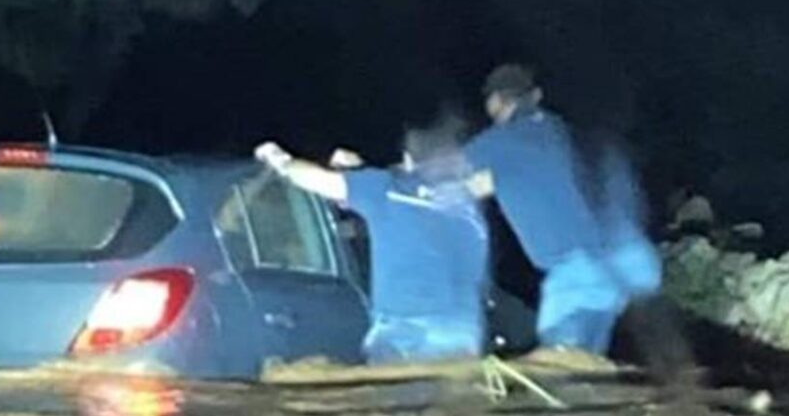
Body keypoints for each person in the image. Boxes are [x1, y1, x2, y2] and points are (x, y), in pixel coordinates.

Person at [464, 63, 662, 354]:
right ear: (536, 96)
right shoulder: (555, 131)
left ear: (494, 102)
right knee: (585, 365)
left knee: (558, 370)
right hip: (621, 266)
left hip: (576, 272)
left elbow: (440, 175)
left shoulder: (503, 141)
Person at [254, 125, 489, 364]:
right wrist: (359, 170)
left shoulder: (388, 190)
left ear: (407, 160)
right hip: (462, 331)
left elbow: (320, 181)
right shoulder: (470, 212)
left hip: (405, 331)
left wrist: (279, 159)